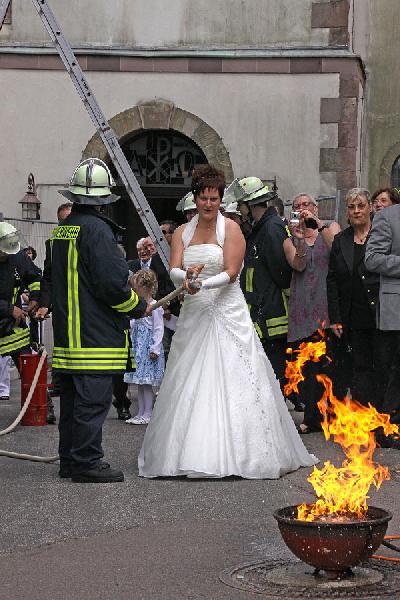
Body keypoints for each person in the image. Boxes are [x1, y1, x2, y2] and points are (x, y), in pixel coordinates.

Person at [138, 164, 317, 479]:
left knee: (235, 372)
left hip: (225, 308)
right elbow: (174, 267)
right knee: (189, 374)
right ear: (195, 198)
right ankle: (187, 451)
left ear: (221, 200)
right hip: (195, 312)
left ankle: (243, 451)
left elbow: (232, 272)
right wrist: (185, 278)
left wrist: (201, 284)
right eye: (203, 198)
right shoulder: (182, 232)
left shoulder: (231, 230)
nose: (208, 204)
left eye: (214, 198)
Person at [36, 158, 149, 482]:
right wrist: (137, 306)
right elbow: (111, 285)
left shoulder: (63, 230)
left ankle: (70, 460)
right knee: (93, 403)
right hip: (94, 337)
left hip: (69, 338)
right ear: (103, 200)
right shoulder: (98, 231)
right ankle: (87, 462)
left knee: (72, 403)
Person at [283, 194, 341, 433]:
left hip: (327, 303)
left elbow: (338, 251)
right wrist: (299, 240)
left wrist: (318, 225)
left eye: (306, 204)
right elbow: (299, 265)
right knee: (307, 366)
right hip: (303, 307)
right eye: (297, 206)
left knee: (329, 363)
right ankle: (311, 416)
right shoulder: (289, 239)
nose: (302, 209)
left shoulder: (330, 227)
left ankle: (332, 416)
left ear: (315, 208)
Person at [327, 188, 381, 407]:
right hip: (352, 317)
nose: (357, 211)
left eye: (361, 206)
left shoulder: (381, 236)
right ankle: (362, 415)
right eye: (352, 207)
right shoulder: (341, 240)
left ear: (370, 208)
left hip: (380, 314)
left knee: (382, 366)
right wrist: (335, 318)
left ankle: (384, 416)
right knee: (359, 368)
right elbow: (332, 281)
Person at [238, 177, 293, 392]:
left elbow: (281, 271)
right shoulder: (261, 228)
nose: (240, 210)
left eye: (241, 204)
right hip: (262, 310)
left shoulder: (271, 228)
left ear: (250, 204)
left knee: (274, 374)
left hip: (272, 313)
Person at [0, 223, 54, 418]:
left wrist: (35, 298)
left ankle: (43, 407)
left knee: (29, 366)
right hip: (9, 314)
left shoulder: (17, 255)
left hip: (13, 325)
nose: (6, 256)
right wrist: (9, 308)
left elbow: (34, 277)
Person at [365, 202, 400, 449]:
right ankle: (388, 429)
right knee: (393, 374)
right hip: (396, 311)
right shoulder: (387, 217)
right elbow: (372, 259)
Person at [125, 270, 165, 425]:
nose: (134, 291)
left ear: (145, 288)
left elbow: (158, 328)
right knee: (140, 384)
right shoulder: (139, 307)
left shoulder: (155, 306)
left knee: (146, 384)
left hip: (148, 350)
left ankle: (148, 413)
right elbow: (134, 324)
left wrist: (155, 348)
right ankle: (140, 413)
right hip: (138, 349)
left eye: (136, 289)